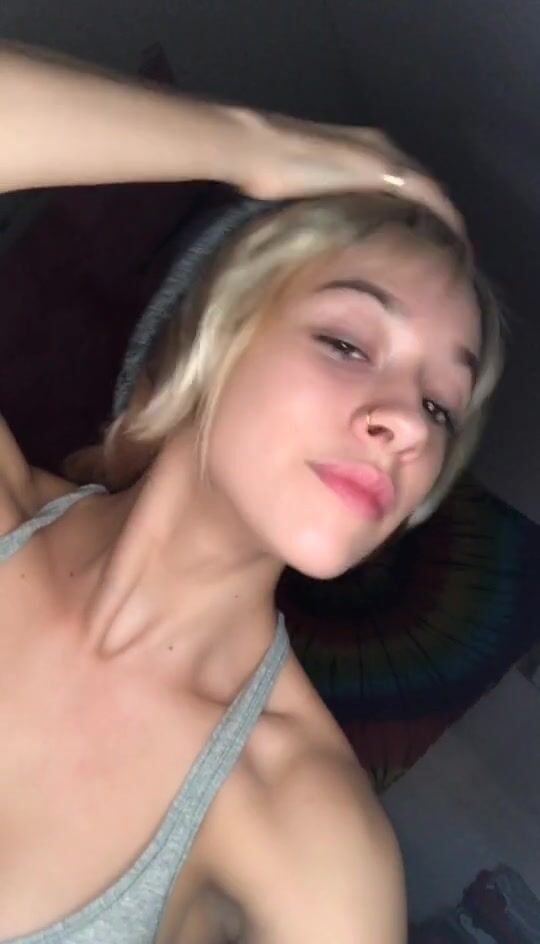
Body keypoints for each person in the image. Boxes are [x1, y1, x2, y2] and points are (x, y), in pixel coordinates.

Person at [0, 43, 504, 944]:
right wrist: (252, 144)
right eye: (348, 344)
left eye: (441, 405)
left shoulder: (311, 838)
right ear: (214, 334)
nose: (410, 425)